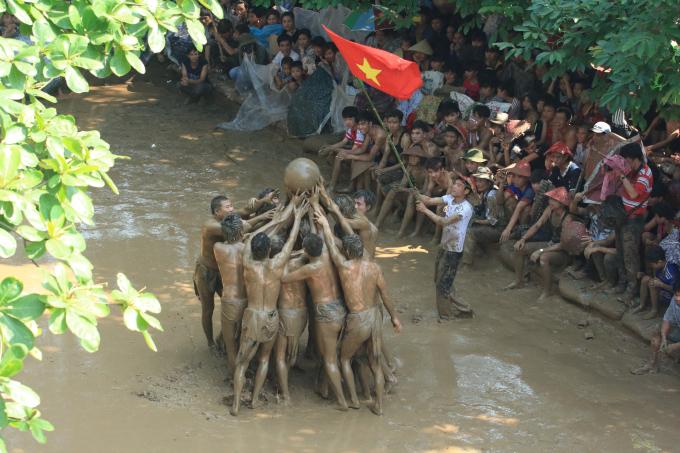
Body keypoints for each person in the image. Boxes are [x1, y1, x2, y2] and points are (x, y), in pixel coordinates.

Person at [314, 206, 402, 415]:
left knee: (344, 358)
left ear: (347, 251)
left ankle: (353, 399)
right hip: (374, 317)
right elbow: (386, 296)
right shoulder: (374, 267)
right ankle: (378, 405)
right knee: (375, 362)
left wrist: (325, 224)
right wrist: (395, 318)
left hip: (358, 319)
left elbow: (332, 248)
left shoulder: (344, 267)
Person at [230, 198, 306, 416]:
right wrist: (297, 217)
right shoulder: (277, 265)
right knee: (265, 358)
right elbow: (291, 241)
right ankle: (254, 400)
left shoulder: (248, 265)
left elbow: (251, 237)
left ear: (253, 250)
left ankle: (236, 403)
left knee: (242, 362)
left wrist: (273, 220)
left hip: (252, 315)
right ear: (269, 251)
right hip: (271, 316)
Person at [280, 211, 351, 411]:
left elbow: (284, 279)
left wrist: (287, 256)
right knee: (332, 353)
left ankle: (342, 402)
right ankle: (325, 388)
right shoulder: (328, 256)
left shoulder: (309, 269)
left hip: (325, 312)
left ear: (306, 251)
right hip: (340, 308)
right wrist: (319, 221)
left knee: (328, 359)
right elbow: (323, 238)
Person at [416, 178, 475, 319]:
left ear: (466, 191)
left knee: (443, 285)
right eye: (454, 183)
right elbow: (429, 200)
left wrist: (425, 211)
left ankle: (446, 316)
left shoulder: (465, 208)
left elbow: (443, 222)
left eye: (459, 185)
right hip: (445, 246)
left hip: (454, 251)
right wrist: (416, 194)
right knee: (440, 281)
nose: (454, 186)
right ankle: (464, 309)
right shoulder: (449, 198)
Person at [505, 187, 571, 300]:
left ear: (562, 203)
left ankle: (547, 291)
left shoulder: (567, 219)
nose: (550, 202)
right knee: (520, 248)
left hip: (562, 250)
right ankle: (519, 281)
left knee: (544, 258)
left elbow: (563, 245)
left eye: (554, 200)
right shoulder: (549, 210)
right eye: (550, 199)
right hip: (550, 244)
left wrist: (541, 251)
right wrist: (523, 239)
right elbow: (537, 225)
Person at [616, 143, 653, 301]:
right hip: (622, 217)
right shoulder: (631, 170)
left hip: (633, 221)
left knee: (630, 257)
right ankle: (621, 284)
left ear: (633, 159)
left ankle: (631, 291)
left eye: (626, 160)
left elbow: (632, 194)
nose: (624, 163)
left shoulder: (645, 175)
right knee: (620, 253)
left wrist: (622, 177)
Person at [194, 196, 231, 350]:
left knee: (231, 305)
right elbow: (240, 228)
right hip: (205, 272)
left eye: (231, 205)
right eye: (228, 207)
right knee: (208, 310)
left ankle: (222, 337)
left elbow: (244, 212)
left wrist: (260, 204)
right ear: (217, 211)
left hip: (221, 273)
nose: (232, 209)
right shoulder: (211, 226)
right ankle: (210, 343)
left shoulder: (225, 219)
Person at [213, 213, 247, 375]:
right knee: (243, 342)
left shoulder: (218, 248)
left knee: (231, 346)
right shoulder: (247, 248)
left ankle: (235, 380)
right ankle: (245, 374)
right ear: (241, 232)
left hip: (229, 301)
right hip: (246, 300)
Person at [274, 251, 308, 405]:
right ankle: (284, 378)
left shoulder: (275, 266)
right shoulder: (302, 262)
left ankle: (284, 393)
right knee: (293, 349)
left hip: (285, 312)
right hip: (301, 313)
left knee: (280, 356)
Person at [631, 281, 680, 375]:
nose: (678, 299)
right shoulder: (675, 301)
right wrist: (664, 337)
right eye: (676, 295)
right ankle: (652, 364)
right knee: (657, 329)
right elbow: (667, 319)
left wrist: (675, 346)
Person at [462, 166, 506, 266]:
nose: (478, 184)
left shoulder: (491, 196)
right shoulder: (486, 193)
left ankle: (467, 264)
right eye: (477, 181)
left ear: (488, 182)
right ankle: (477, 252)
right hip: (494, 225)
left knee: (470, 232)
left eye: (481, 181)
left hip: (498, 229)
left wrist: (475, 221)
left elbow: (492, 221)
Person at [633, 246, 680, 320]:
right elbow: (657, 277)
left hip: (672, 297)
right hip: (663, 290)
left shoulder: (671, 271)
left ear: (659, 262)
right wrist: (644, 275)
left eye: (652, 264)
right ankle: (642, 305)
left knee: (653, 285)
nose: (651, 266)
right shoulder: (660, 267)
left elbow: (676, 291)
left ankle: (654, 311)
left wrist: (661, 284)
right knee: (645, 279)